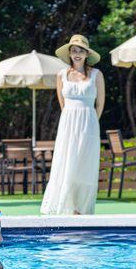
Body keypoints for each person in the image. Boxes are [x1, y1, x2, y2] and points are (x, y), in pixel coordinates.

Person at [40, 34, 105, 215]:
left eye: (81, 51)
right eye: (74, 50)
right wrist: (71, 119)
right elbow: (62, 103)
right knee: (67, 161)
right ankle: (66, 207)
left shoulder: (97, 75)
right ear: (69, 53)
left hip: (89, 124)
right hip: (68, 123)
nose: (77, 54)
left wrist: (92, 122)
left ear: (87, 54)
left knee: (85, 165)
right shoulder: (62, 75)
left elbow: (100, 104)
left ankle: (81, 208)